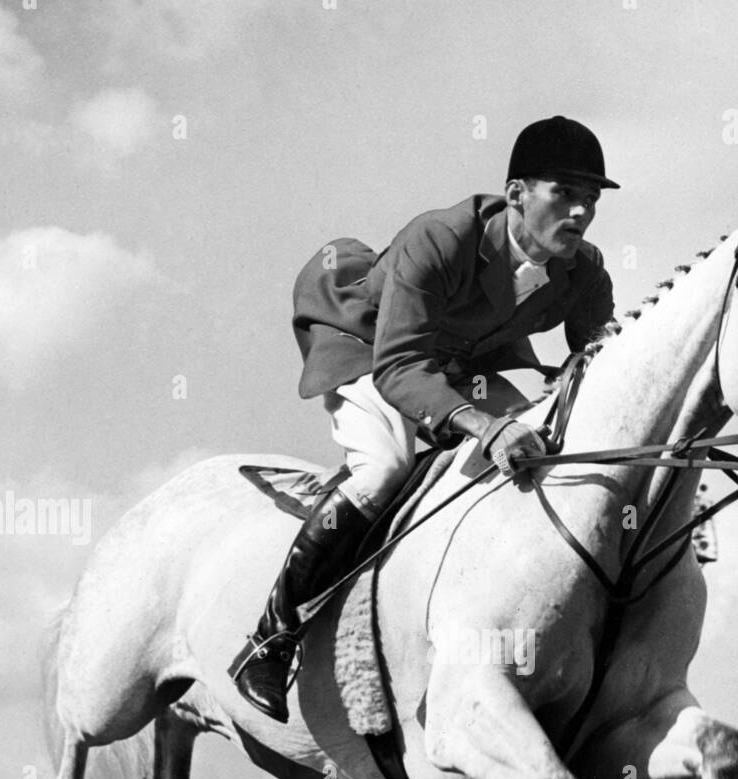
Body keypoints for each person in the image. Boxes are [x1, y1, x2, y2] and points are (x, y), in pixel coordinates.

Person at [230, 115, 619, 721]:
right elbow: (401, 367)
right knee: (385, 467)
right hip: (372, 346)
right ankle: (271, 639)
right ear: (516, 194)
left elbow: (596, 352)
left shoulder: (584, 269)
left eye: (589, 199)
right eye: (563, 194)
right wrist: (484, 425)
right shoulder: (437, 238)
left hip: (461, 362)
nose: (579, 213)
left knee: (542, 448)